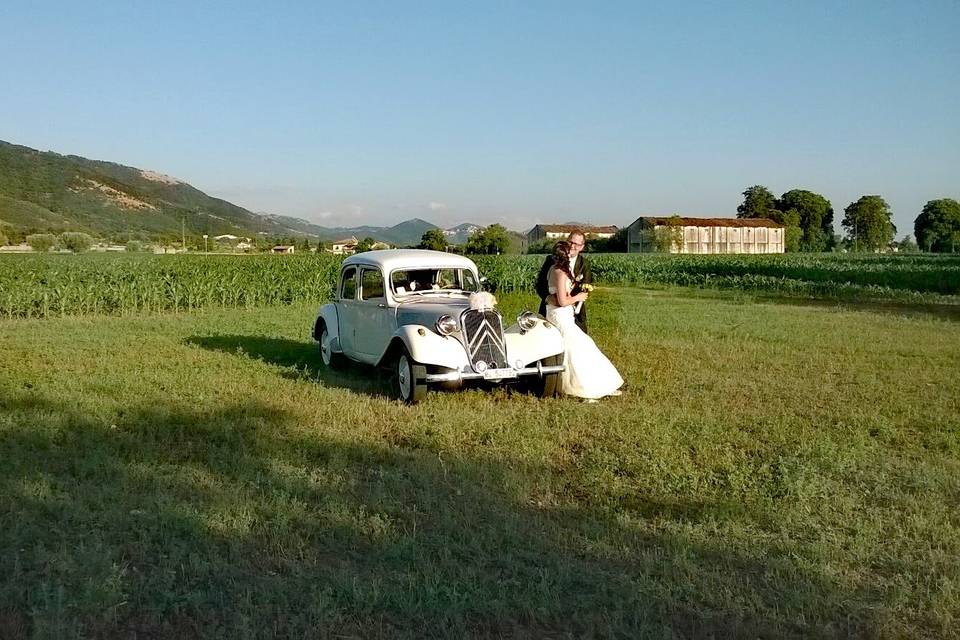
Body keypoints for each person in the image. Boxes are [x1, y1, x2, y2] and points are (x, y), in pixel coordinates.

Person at [545, 241, 623, 401]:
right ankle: (584, 386)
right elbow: (562, 301)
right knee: (579, 347)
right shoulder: (559, 272)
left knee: (579, 346)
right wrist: (578, 297)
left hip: (561, 314)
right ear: (564, 255)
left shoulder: (554, 269)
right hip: (560, 314)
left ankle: (595, 383)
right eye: (570, 251)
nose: (573, 252)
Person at [536, 230, 591, 333]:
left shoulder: (585, 264)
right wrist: (548, 298)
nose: (572, 246)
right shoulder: (551, 261)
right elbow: (540, 285)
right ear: (566, 241)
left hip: (574, 312)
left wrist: (574, 301)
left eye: (577, 244)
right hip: (553, 310)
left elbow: (586, 288)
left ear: (582, 247)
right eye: (571, 242)